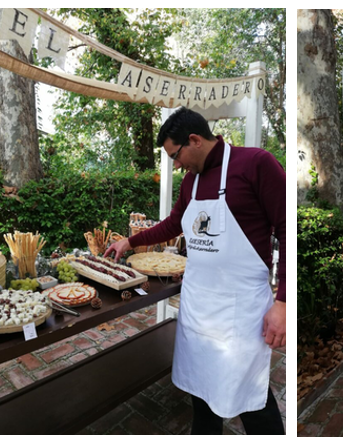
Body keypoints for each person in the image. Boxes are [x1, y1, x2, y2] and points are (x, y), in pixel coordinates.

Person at [105, 107, 286, 435]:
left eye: (176, 155)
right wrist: (129, 243)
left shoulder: (256, 164)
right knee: (202, 394)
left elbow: (289, 229)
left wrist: (283, 302)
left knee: (250, 397)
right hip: (200, 305)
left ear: (195, 140)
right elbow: (174, 224)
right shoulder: (191, 181)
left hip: (240, 310)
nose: (177, 165)